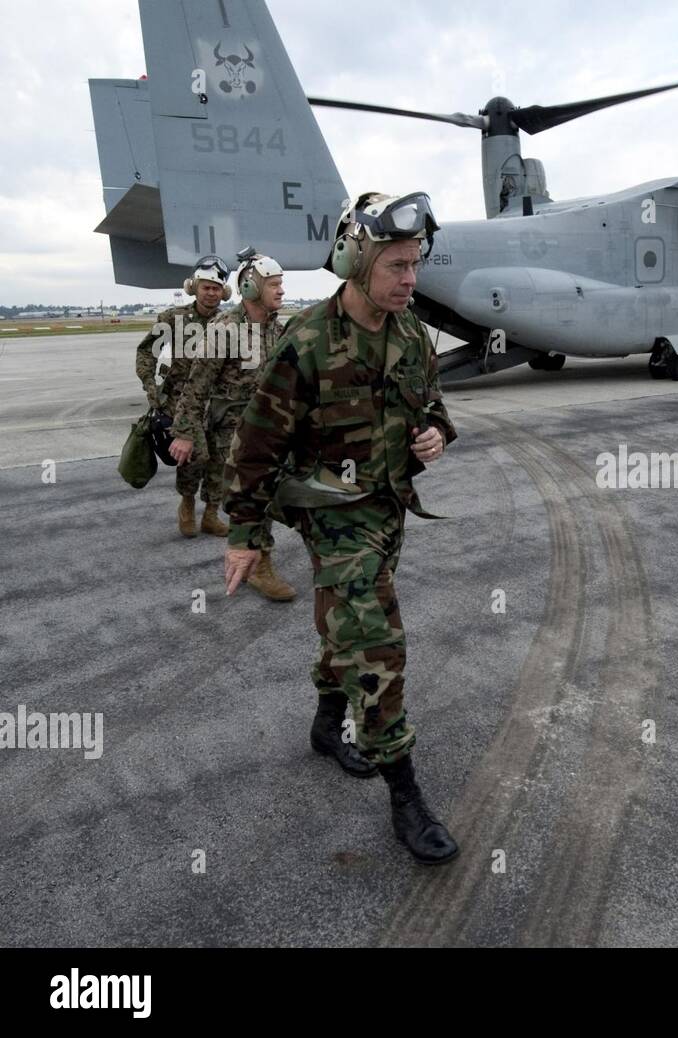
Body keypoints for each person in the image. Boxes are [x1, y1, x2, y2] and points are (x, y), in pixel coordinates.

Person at [222, 192, 460, 865]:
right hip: (330, 517)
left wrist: (437, 433)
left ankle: (328, 725)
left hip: (388, 511)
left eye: (415, 264)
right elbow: (256, 445)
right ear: (355, 261)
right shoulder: (307, 342)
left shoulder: (411, 333)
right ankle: (405, 793)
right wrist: (245, 533)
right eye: (396, 265)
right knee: (376, 639)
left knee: (343, 623)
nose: (410, 279)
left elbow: (438, 407)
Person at [171, 250, 295, 601]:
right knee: (252, 497)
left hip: (269, 430)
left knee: (267, 494)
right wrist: (185, 433)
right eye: (274, 284)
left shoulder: (278, 328)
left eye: (281, 284)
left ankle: (255, 557)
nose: (281, 291)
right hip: (231, 430)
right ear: (251, 288)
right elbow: (197, 386)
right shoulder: (225, 329)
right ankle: (259, 565)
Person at [136, 255, 230, 537]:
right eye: (206, 287)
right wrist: (151, 390)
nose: (211, 293)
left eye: (216, 288)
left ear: (224, 292)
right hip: (183, 404)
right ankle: (187, 504)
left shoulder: (231, 322)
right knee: (194, 457)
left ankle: (211, 514)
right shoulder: (174, 319)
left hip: (219, 404)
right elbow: (146, 352)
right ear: (194, 287)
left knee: (220, 459)